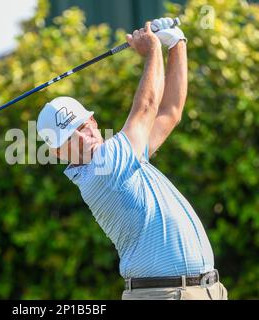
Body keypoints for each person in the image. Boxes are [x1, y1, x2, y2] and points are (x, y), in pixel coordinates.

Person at [36, 18, 228, 300]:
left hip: (204, 290)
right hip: (163, 294)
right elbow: (147, 107)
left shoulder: (125, 158)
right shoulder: (103, 169)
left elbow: (170, 112)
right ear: (57, 153)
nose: (85, 132)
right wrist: (152, 49)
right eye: (71, 133)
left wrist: (176, 44)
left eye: (85, 122)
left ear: (94, 119)